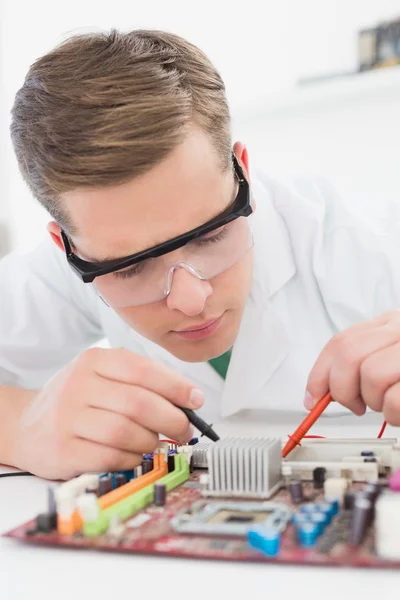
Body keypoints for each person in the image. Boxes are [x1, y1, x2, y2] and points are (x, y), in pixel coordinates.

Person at [1, 29, 400, 480]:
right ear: (68, 248)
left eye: (210, 236)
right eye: (130, 267)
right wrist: (18, 425)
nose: (190, 300)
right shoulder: (75, 262)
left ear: (242, 171)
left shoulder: (369, 243)